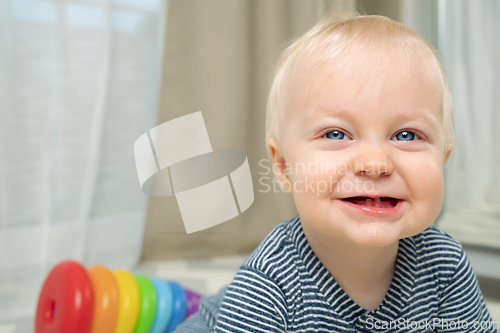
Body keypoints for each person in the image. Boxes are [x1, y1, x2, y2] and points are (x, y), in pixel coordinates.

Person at [174, 11, 499, 333]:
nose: (375, 164)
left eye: (406, 135)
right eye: (336, 134)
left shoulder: (445, 265)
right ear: (284, 166)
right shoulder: (270, 281)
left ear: (443, 159)